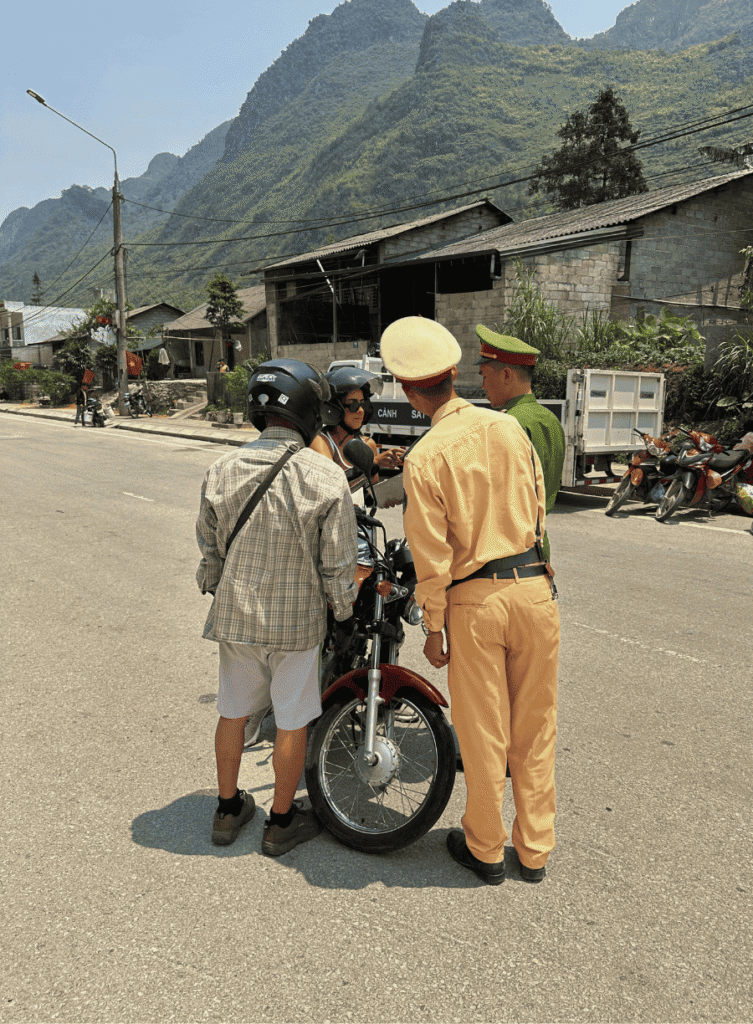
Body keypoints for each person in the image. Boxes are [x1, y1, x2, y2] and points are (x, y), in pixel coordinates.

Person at [380, 316, 560, 886]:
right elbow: (537, 508)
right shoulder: (508, 428)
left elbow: (431, 556)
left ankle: (485, 848)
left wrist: (433, 627)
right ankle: (535, 850)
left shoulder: (425, 456)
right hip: (535, 590)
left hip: (475, 603)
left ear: (409, 392)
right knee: (536, 729)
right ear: (455, 375)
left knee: (484, 734)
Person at [196, 358, 359, 854]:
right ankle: (281, 821)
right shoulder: (326, 477)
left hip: (237, 618)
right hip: (296, 625)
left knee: (233, 713)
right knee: (291, 719)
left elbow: (210, 550)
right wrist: (343, 615)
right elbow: (338, 564)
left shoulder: (221, 469)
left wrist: (218, 585)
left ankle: (228, 810)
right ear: (310, 410)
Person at [475, 325, 565, 563]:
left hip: (505, 551)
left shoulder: (507, 423)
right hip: (538, 546)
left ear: (506, 375)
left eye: (485, 376)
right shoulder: (550, 420)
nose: (483, 386)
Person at [310, 366, 405, 586]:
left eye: (363, 404)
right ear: (334, 408)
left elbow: (368, 496)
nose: (360, 410)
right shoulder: (321, 442)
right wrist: (374, 464)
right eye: (353, 404)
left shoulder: (367, 444)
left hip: (363, 537)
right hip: (332, 539)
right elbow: (329, 488)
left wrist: (389, 492)